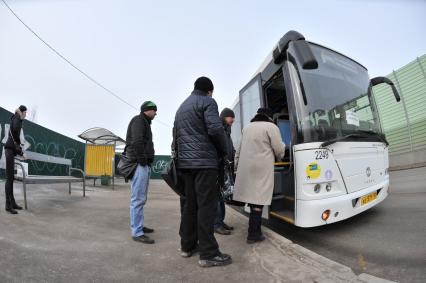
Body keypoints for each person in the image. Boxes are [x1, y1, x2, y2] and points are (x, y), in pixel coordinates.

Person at [174, 76, 232, 267]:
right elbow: (215, 129)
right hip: (205, 163)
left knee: (190, 206)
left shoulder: (182, 107)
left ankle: (187, 246)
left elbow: (175, 136)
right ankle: (208, 253)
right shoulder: (208, 101)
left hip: (185, 165)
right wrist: (225, 150)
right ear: (209, 90)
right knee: (207, 207)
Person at [233, 108, 285, 244]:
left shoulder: (247, 128)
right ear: (269, 117)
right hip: (261, 169)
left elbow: (238, 151)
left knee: (252, 199)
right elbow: (279, 149)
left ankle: (256, 231)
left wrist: (236, 168)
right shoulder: (271, 127)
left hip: (246, 169)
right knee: (259, 201)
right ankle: (253, 234)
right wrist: (280, 156)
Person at [125, 101, 157, 244]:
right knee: (137, 199)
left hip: (142, 165)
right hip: (139, 165)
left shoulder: (144, 122)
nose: (156, 113)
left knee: (140, 199)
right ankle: (137, 232)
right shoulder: (139, 120)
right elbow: (137, 142)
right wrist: (143, 161)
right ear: (147, 110)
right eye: (154, 110)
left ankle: (139, 226)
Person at [214, 108, 236, 235]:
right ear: (224, 117)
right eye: (230, 117)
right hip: (218, 167)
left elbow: (229, 148)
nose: (233, 120)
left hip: (225, 167)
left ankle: (220, 221)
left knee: (222, 196)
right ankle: (216, 224)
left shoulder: (227, 130)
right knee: (217, 196)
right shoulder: (219, 128)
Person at [4, 105, 27, 214]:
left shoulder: (17, 118)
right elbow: (15, 133)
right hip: (9, 150)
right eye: (25, 113)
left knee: (11, 178)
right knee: (9, 179)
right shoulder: (16, 118)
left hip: (11, 150)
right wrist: (22, 152)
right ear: (21, 112)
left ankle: (12, 203)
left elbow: (16, 141)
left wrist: (20, 152)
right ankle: (8, 205)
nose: (26, 115)